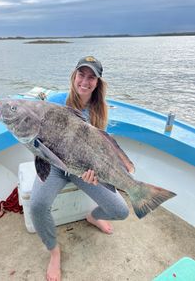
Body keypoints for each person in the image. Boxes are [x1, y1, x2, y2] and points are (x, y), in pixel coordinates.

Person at [30, 56, 129, 281]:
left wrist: (94, 174)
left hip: (83, 171)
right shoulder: (56, 100)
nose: (85, 81)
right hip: (53, 165)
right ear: (74, 76)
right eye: (81, 74)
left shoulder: (100, 111)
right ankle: (54, 252)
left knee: (121, 211)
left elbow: (99, 149)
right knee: (37, 205)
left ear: (98, 83)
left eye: (91, 77)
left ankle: (93, 217)